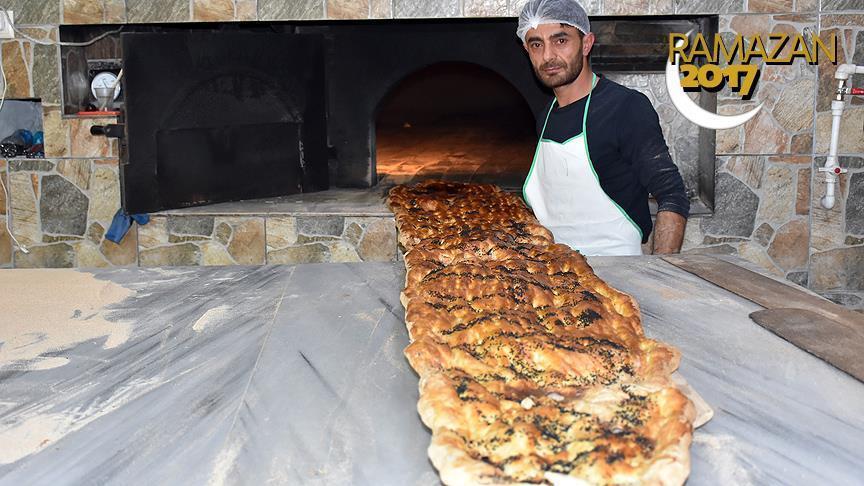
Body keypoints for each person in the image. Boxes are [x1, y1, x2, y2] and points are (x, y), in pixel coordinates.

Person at [517, 0, 689, 256]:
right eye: (536, 44)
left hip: (617, 267)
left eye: (560, 40)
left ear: (586, 43)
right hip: (552, 266)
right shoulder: (546, 116)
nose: (548, 56)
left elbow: (672, 194)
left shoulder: (626, 107)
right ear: (527, 50)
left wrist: (660, 271)